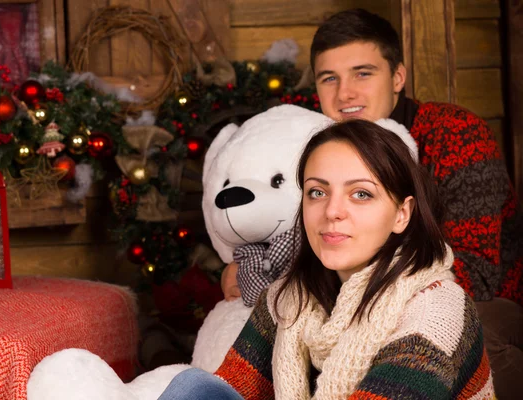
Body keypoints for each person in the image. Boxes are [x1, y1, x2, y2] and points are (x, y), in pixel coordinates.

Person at [220, 9, 523, 398]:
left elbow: (478, 273)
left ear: (397, 76)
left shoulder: (453, 132)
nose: (345, 93)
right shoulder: (323, 146)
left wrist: (354, 293)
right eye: (330, 78)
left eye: (363, 73)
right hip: (355, 284)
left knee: (450, 329)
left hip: (483, 298)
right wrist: (252, 266)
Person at [159, 119, 495, 399]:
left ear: (401, 214)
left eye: (361, 194)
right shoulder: (285, 299)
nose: (332, 212)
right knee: (192, 388)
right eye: (317, 192)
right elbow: (229, 388)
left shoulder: (437, 311)